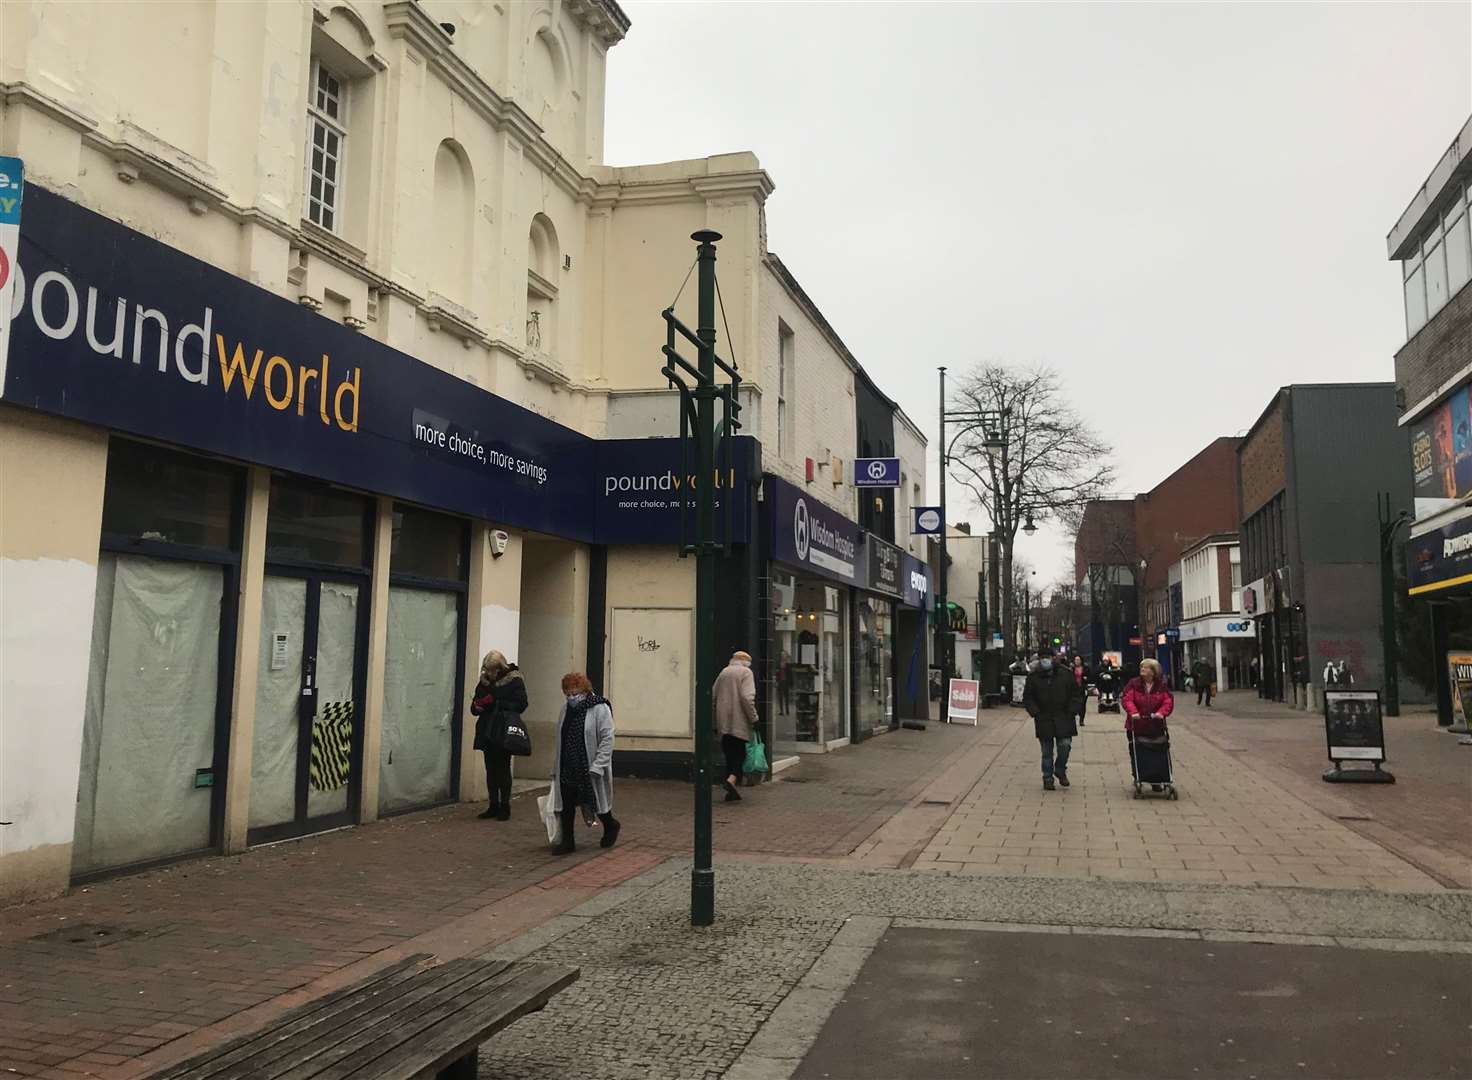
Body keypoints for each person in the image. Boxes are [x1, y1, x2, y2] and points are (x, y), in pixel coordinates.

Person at [550, 672, 620, 854]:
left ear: (585, 690)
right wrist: (556, 766)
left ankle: (610, 825)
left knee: (595, 801)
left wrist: (599, 764)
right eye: (568, 694)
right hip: (568, 764)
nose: (572, 697)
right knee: (566, 803)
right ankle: (568, 841)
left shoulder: (599, 708)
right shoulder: (565, 710)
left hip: (589, 764)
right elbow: (560, 739)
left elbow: (607, 738)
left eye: (575, 693)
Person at [469, 650, 527, 821]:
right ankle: (493, 804)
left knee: (502, 768)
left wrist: (496, 703)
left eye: (493, 669)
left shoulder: (514, 680)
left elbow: (521, 704)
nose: (489, 673)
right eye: (487, 669)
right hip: (487, 728)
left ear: (500, 667)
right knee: (490, 768)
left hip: (503, 728)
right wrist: (477, 706)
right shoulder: (484, 682)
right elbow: (474, 707)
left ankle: (505, 805)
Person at [1023, 652, 1082, 791]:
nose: (1046, 661)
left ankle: (1060, 769)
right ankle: (1047, 778)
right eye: (1043, 658)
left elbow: (1076, 693)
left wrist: (1072, 710)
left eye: (1048, 657)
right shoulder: (1034, 677)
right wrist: (1035, 712)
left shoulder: (1065, 674)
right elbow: (1028, 697)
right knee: (1046, 751)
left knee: (1065, 745)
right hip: (1044, 718)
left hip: (1064, 716)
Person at [714, 650, 759, 802]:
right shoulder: (746, 673)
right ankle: (732, 779)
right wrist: (754, 718)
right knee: (740, 754)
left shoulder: (724, 672)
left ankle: (730, 790)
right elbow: (747, 697)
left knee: (729, 753)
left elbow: (713, 695)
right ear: (747, 662)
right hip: (739, 721)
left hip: (723, 721)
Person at [1122, 658, 1175, 790]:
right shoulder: (1134, 684)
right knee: (1137, 751)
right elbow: (1127, 699)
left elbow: (1168, 701)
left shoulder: (1161, 686)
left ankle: (1157, 778)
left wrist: (1161, 713)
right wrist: (1134, 713)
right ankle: (1139, 775)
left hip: (1155, 725)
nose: (1142, 670)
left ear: (1153, 671)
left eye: (1145, 668)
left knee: (1158, 751)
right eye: (1141, 667)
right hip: (1136, 725)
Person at [1071, 655, 1090, 727]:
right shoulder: (1072, 669)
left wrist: (1086, 678)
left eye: (1078, 660)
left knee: (1083, 704)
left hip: (1083, 688)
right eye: (1076, 660)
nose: (1077, 661)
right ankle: (1074, 717)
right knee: (1075, 704)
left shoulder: (1085, 668)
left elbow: (1090, 677)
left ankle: (1081, 720)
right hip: (1074, 689)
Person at [776, 651, 791, 716]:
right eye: (782, 655)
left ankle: (787, 710)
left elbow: (790, 674)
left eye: (784, 655)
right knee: (780, 697)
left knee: (786, 697)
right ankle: (781, 711)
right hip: (780, 681)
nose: (783, 656)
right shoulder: (778, 663)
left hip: (786, 681)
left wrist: (791, 683)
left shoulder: (788, 664)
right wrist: (776, 681)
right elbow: (776, 673)